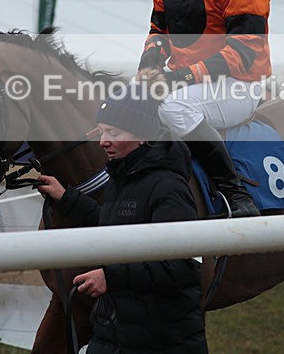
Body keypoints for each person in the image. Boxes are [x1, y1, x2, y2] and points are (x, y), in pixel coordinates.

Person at [136, 0, 270, 217]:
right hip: (189, 81)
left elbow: (243, 50)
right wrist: (148, 69)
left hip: (239, 85)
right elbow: (158, 31)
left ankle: (235, 192)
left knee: (174, 108)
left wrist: (180, 78)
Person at [35, 92, 207, 353]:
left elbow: (184, 267)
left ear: (141, 136)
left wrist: (110, 278)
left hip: (160, 342)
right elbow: (110, 226)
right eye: (102, 132)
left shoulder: (169, 188)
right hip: (115, 335)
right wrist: (67, 197)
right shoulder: (121, 177)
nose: (103, 142)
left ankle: (233, 190)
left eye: (114, 133)